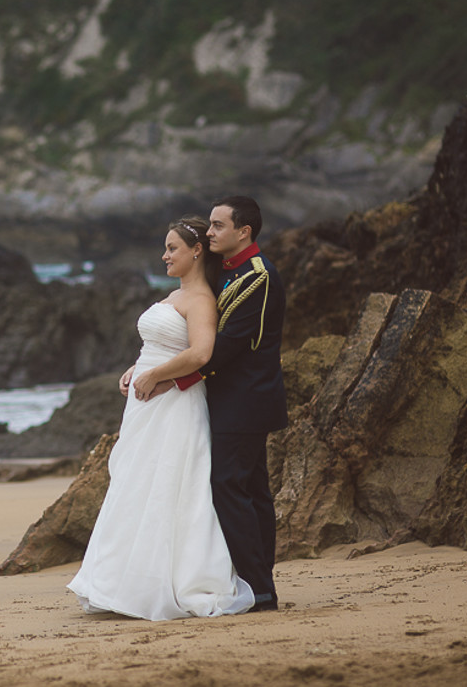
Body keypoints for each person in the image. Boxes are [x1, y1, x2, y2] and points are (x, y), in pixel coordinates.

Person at [66, 217, 255, 620]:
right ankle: (117, 581)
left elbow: (202, 353)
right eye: (165, 248)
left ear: (196, 251)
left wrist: (155, 374)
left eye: (172, 248)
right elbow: (163, 344)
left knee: (168, 485)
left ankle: (163, 583)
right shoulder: (176, 294)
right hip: (146, 403)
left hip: (175, 405)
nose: (165, 255)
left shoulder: (201, 299)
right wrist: (138, 368)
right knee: (135, 482)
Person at [163, 196, 288, 612]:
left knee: (229, 486)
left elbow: (232, 343)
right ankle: (260, 583)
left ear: (243, 231)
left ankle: (258, 586)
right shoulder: (228, 271)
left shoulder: (259, 276)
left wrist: (176, 377)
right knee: (250, 488)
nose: (210, 232)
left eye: (218, 226)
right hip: (231, 397)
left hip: (247, 398)